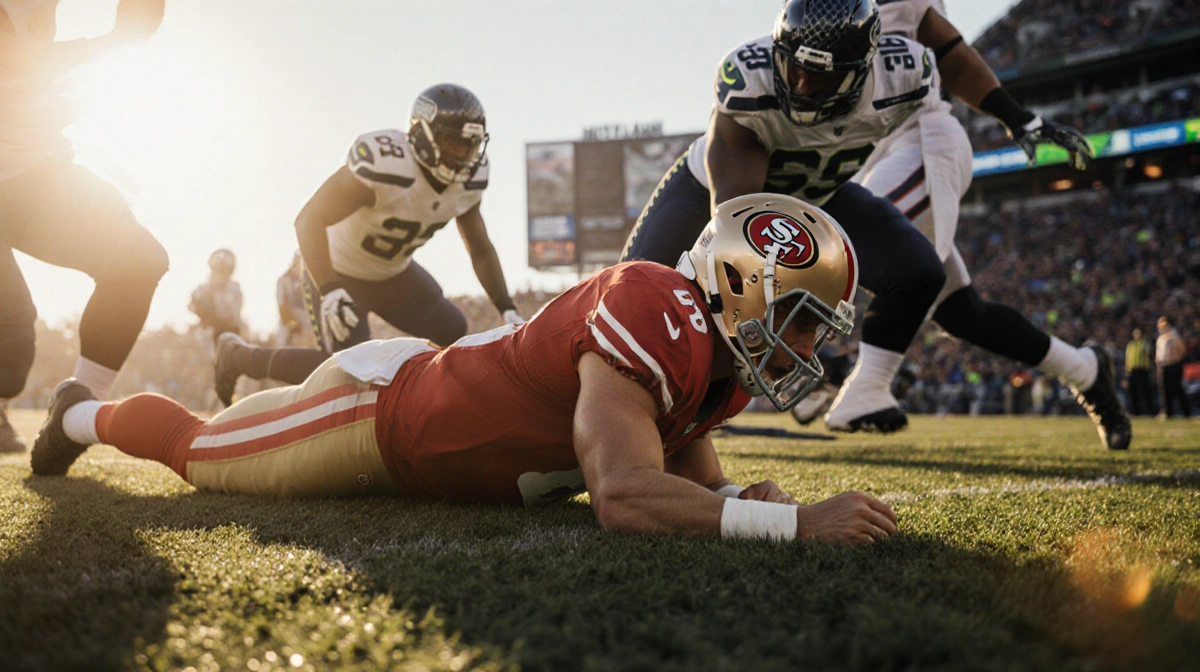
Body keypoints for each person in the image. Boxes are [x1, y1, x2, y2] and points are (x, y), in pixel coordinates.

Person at [30, 193, 898, 545]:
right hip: (377, 415)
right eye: (797, 321)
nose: (807, 351)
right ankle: (77, 413)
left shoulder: (711, 360)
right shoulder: (652, 303)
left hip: (419, 426)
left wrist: (744, 502)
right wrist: (791, 528)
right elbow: (625, 494)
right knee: (202, 454)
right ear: (741, 287)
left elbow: (685, 469)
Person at [620, 0, 948, 434]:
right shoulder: (749, 79)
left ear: (862, 68)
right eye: (793, 68)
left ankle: (866, 390)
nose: (801, 84)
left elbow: (958, 59)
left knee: (918, 271)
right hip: (715, 197)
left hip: (818, 195)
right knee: (628, 301)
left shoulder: (906, 73)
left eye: (821, 76)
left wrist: (1019, 120)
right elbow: (736, 232)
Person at [826, 0, 1130, 449]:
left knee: (832, 244)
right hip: (880, 154)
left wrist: (1017, 117)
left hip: (922, 143)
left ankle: (859, 382)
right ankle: (1085, 368)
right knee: (964, 314)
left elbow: (949, 50)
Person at [211, 83, 521, 406]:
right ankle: (239, 356)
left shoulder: (468, 184)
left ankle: (434, 409)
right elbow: (308, 219)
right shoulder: (387, 164)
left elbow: (479, 246)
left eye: (469, 147)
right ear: (421, 135)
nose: (461, 156)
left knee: (452, 329)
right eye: (451, 143)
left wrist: (505, 306)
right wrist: (329, 288)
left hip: (392, 272)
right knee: (347, 374)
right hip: (336, 268)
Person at [0, 0, 170, 454]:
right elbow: (12, 58)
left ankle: (75, 412)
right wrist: (114, 41)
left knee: (138, 262)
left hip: (37, 173)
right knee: (13, 339)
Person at [188, 248, 244, 344]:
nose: (220, 275)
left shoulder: (234, 288)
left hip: (229, 335)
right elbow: (191, 306)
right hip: (206, 335)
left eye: (224, 270)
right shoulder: (203, 289)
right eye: (218, 270)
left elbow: (232, 315)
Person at [275, 250, 313, 348]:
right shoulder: (284, 280)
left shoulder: (311, 280)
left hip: (308, 330)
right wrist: (293, 326)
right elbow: (283, 306)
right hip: (291, 331)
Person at [1156, 316, 1191, 419]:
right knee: (1164, 391)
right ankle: (1167, 413)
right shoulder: (1160, 339)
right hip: (1164, 366)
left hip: (1174, 365)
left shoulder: (1175, 336)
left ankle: (1186, 413)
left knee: (1177, 389)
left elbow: (1182, 350)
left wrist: (1176, 361)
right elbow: (1158, 354)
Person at [1125, 327, 1155, 416]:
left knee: (1145, 392)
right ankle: (1135, 412)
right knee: (1133, 392)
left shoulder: (1145, 343)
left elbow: (1149, 354)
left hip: (1143, 370)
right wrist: (1126, 371)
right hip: (1132, 370)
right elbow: (1127, 358)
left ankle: (1150, 412)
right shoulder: (1131, 344)